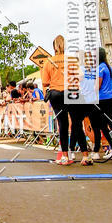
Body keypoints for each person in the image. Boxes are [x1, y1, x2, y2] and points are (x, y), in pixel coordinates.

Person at [41, 35, 81, 165]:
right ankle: (84, 154)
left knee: (62, 124)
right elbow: (79, 77)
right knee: (76, 122)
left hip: (56, 93)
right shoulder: (71, 60)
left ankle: (64, 156)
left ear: (54, 47)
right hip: (71, 91)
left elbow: (45, 82)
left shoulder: (49, 62)